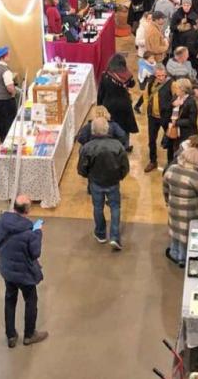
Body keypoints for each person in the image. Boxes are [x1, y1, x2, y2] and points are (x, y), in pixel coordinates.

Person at [0, 195, 48, 348]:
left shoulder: (1, 223)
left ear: (14, 207)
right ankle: (29, 334)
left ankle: (11, 335)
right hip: (25, 274)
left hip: (7, 271)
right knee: (30, 300)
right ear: (28, 210)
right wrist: (38, 232)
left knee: (10, 299)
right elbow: (35, 253)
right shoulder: (30, 230)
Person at [77, 117, 130, 250]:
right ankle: (115, 237)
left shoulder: (87, 147)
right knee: (115, 208)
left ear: (93, 131)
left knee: (98, 207)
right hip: (113, 182)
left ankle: (101, 234)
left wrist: (89, 177)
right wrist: (119, 177)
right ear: (107, 129)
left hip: (96, 182)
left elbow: (82, 168)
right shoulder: (117, 146)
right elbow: (125, 167)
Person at [162, 148, 198, 266]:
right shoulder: (196, 176)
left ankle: (174, 253)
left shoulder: (171, 169)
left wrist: (167, 200)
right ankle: (183, 259)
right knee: (186, 234)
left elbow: (165, 187)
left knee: (175, 231)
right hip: (191, 211)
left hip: (174, 207)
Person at [97, 53, 139, 150]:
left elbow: (101, 92)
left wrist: (99, 105)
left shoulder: (105, 75)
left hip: (109, 105)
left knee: (111, 126)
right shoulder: (127, 75)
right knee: (126, 126)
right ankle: (125, 146)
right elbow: (132, 84)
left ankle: (112, 147)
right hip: (124, 104)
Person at [144, 63, 175, 172]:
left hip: (166, 117)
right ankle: (153, 161)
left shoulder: (171, 83)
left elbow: (175, 99)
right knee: (151, 140)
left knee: (170, 140)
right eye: (159, 76)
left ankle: (170, 162)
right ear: (155, 75)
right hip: (152, 117)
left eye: (163, 75)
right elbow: (146, 96)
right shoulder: (151, 81)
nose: (161, 78)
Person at [169, 78, 198, 153]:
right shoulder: (176, 97)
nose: (175, 90)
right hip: (176, 132)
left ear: (183, 90)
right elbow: (171, 110)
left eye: (177, 88)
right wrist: (172, 105)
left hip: (186, 134)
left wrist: (176, 122)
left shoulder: (191, 102)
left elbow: (192, 121)